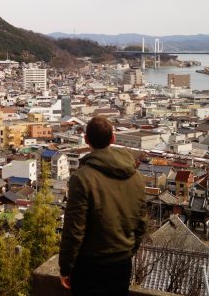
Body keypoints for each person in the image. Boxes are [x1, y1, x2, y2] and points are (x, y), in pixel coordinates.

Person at [58, 116, 147, 295]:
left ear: (86, 140)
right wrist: (129, 250)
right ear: (113, 139)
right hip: (121, 263)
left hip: (90, 264)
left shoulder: (82, 178)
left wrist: (66, 267)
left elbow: (75, 229)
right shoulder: (135, 176)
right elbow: (141, 222)